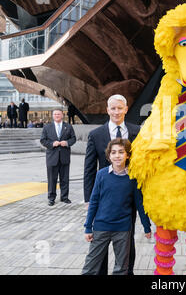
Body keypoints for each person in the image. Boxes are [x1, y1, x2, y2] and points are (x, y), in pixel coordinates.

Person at [83, 94, 140, 275]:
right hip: (103, 197)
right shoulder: (96, 134)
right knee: (100, 239)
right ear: (107, 110)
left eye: (120, 108)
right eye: (113, 108)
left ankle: (126, 271)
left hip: (127, 196)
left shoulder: (137, 131)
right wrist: (88, 199)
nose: (116, 112)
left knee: (127, 238)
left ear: (126, 109)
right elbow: (89, 168)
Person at [82, 138, 152, 275]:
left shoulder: (133, 177)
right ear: (109, 156)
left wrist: (146, 226)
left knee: (121, 268)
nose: (117, 155)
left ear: (128, 155)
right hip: (101, 227)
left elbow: (139, 204)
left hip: (123, 229)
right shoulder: (101, 174)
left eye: (121, 152)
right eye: (113, 152)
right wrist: (88, 226)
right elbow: (94, 201)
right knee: (90, 267)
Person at [40, 109, 76, 206]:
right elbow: (42, 140)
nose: (57, 115)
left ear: (62, 115)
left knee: (65, 178)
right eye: (55, 114)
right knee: (52, 179)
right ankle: (51, 198)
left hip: (64, 157)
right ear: (52, 116)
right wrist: (52, 144)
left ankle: (64, 197)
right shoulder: (47, 127)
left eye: (58, 114)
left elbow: (73, 138)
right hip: (52, 157)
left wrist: (67, 143)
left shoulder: (68, 126)